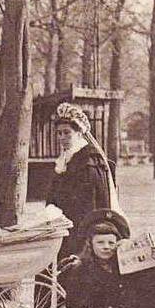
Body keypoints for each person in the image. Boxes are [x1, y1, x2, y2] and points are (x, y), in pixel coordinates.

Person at [46, 103, 113, 259]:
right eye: (59, 133)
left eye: (67, 133)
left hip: (81, 232)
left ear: (79, 133)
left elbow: (91, 204)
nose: (62, 138)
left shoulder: (88, 161)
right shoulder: (65, 160)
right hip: (63, 228)